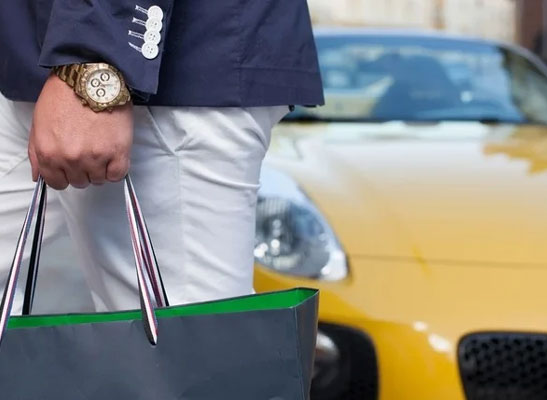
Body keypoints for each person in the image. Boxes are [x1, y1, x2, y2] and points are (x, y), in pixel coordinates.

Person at [0, 1, 324, 312]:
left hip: (161, 70)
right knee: (177, 334)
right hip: (32, 58)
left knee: (184, 336)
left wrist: (93, 61)